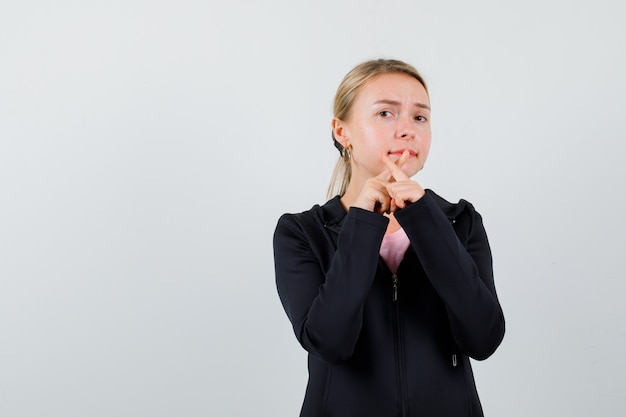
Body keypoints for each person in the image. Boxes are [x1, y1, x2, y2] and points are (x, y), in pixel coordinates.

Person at [273, 58, 505, 417]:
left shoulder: (460, 221)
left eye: (419, 117)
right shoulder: (302, 232)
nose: (407, 129)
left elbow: (483, 338)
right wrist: (364, 224)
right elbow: (330, 343)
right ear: (342, 131)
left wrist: (425, 221)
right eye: (385, 113)